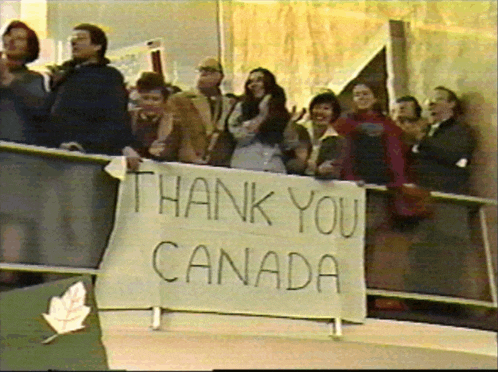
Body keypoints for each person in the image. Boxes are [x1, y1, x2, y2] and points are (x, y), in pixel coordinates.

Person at [45, 23, 140, 168]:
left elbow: (115, 115)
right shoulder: (65, 75)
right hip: (56, 152)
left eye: (81, 38)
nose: (74, 42)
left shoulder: (108, 76)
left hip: (89, 155)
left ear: (97, 46)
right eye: (72, 39)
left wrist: (85, 144)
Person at [167, 57, 235, 167]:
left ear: (220, 76)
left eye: (210, 70)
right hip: (188, 162)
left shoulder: (229, 103)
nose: (204, 73)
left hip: (220, 162)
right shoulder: (180, 99)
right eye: (201, 70)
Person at [336, 81, 406, 187]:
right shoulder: (344, 122)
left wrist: (398, 181)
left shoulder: (388, 124)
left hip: (383, 181)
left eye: (365, 94)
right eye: (357, 95)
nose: (361, 98)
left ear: (375, 98)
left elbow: (396, 154)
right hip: (354, 181)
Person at [227, 68, 293, 173]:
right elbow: (240, 136)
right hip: (245, 164)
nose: (254, 85)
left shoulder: (279, 111)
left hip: (273, 165)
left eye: (259, 80)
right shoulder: (241, 107)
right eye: (250, 82)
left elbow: (289, 144)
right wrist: (262, 116)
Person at [411, 86, 475, 195]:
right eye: (429, 100)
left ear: (452, 104)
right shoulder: (426, 130)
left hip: (446, 193)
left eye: (438, 99)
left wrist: (423, 139)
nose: (431, 103)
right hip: (420, 193)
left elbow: (452, 155)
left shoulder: (460, 130)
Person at [0, 20, 48, 145]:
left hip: (16, 148)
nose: (11, 41)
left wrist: (11, 82)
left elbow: (41, 108)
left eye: (20, 38)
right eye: (9, 36)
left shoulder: (33, 79)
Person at [293, 91, 346, 179]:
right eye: (317, 108)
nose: (320, 112)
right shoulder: (297, 129)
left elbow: (335, 170)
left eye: (326, 108)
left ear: (334, 114)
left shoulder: (336, 140)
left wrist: (322, 171)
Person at [130, 71, 181, 161]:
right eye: (145, 98)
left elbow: (174, 151)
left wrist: (161, 152)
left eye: (155, 99)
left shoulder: (174, 123)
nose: (150, 103)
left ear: (164, 102)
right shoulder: (128, 118)